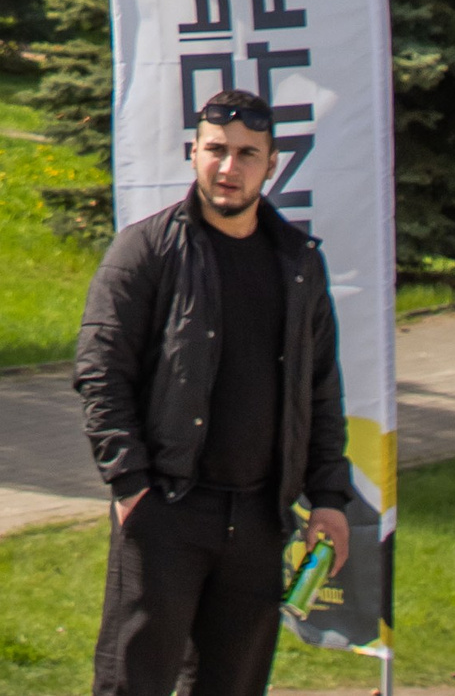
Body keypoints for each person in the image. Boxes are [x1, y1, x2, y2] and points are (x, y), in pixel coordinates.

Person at [75, 87, 352, 696]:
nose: (229, 168)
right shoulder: (146, 250)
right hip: (166, 511)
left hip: (259, 520)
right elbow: (100, 371)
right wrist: (130, 484)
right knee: (134, 684)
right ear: (192, 153)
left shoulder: (299, 263)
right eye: (216, 150)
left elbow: (321, 391)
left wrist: (329, 496)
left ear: (273, 163)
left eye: (247, 154)